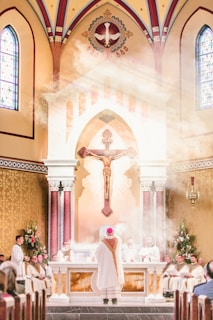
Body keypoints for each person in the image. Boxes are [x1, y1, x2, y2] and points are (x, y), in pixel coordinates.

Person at [95, 227, 124, 305]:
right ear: (113, 233)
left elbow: (97, 253)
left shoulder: (102, 242)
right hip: (115, 266)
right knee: (114, 281)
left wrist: (101, 262)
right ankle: (114, 299)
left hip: (106, 266)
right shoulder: (118, 240)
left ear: (106, 233)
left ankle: (105, 299)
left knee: (105, 280)